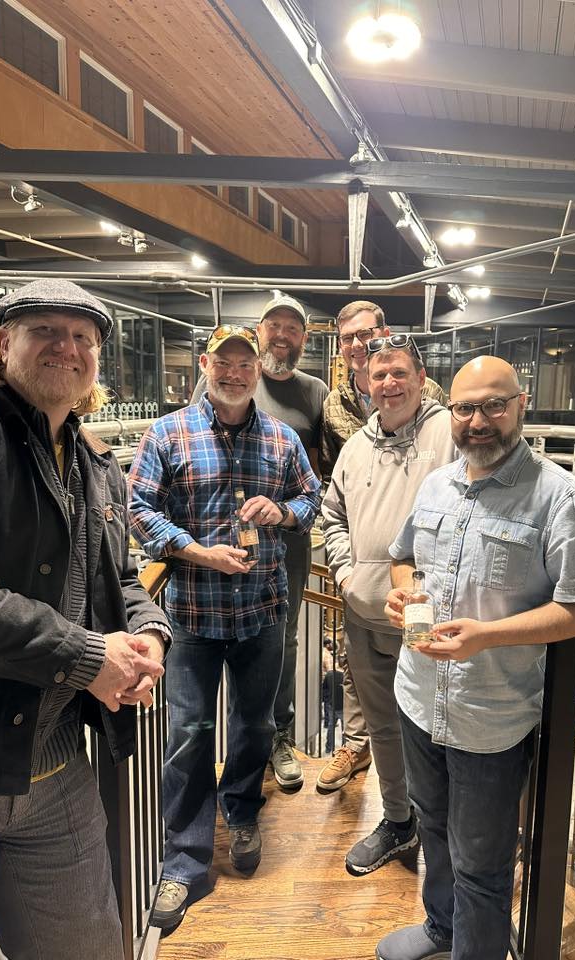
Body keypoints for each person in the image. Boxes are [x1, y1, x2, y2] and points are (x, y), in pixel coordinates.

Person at [377, 356, 575, 960]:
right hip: (419, 698)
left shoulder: (561, 498)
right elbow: (404, 557)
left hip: (492, 716)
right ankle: (441, 929)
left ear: (520, 404)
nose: (478, 420)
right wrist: (401, 592)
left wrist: (487, 636)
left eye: (493, 406)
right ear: (449, 412)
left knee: (481, 862)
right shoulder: (437, 484)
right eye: (465, 408)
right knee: (432, 825)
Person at [0, 279, 170, 960]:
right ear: (2, 344)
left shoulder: (94, 466)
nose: (68, 347)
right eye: (45, 331)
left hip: (53, 766)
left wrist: (148, 634)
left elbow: (119, 578)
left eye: (83, 337)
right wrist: (90, 657)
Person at [128, 325, 320, 931]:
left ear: (257, 372)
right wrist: (191, 551)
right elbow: (137, 507)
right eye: (225, 362)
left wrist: (283, 510)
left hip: (262, 609)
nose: (235, 373)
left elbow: (313, 498)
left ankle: (240, 813)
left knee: (254, 724)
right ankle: (183, 861)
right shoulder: (167, 431)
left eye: (246, 365)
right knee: (186, 732)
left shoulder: (283, 439)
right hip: (191, 615)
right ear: (206, 365)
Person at [321, 334, 457, 875]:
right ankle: (400, 823)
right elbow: (332, 517)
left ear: (421, 379)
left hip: (433, 621)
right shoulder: (355, 448)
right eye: (379, 375)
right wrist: (349, 572)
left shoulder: (449, 432)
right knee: (382, 727)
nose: (389, 384)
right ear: (365, 382)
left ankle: (445, 833)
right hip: (365, 615)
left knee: (437, 728)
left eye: (399, 373)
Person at [191, 295, 328, 790]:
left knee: (280, 640)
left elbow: (318, 472)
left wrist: (290, 511)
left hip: (282, 543)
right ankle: (232, 747)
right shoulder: (220, 381)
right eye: (275, 325)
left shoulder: (314, 392)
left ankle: (277, 736)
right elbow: (191, 443)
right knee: (211, 643)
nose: (283, 335)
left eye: (294, 327)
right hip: (211, 549)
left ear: (303, 339)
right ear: (260, 330)